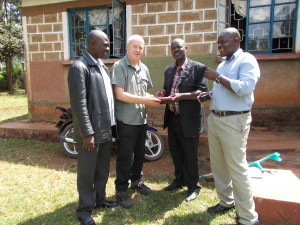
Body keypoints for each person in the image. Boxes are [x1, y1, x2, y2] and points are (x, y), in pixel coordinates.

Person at [198, 27, 260, 225]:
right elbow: (222, 90)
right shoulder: (224, 63)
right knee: (218, 165)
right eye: (218, 43)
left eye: (223, 42)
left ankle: (249, 218)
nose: (220, 46)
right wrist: (208, 95)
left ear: (236, 40)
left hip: (234, 121)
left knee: (237, 168)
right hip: (216, 119)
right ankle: (226, 201)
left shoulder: (247, 60)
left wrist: (216, 77)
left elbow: (245, 88)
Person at [68, 30, 118, 225]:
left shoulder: (101, 66)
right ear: (92, 44)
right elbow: (79, 104)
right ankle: (84, 210)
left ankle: (99, 199)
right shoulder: (79, 68)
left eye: (108, 44)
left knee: (102, 170)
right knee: (87, 172)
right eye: (105, 44)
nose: (108, 47)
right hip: (91, 132)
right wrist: (87, 133)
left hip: (105, 128)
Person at [111, 34, 161, 208]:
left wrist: (154, 98)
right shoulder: (119, 66)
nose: (138, 50)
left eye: (141, 47)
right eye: (135, 47)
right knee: (125, 156)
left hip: (141, 119)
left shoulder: (144, 68)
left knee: (140, 153)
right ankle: (121, 190)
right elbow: (120, 94)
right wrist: (145, 100)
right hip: (126, 120)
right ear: (127, 48)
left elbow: (144, 93)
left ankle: (137, 181)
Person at [156, 38, 207, 202]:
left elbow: (203, 93)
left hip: (189, 120)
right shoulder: (168, 70)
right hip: (173, 118)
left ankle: (194, 186)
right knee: (176, 153)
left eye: (179, 47)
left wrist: (182, 96)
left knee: (190, 154)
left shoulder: (198, 68)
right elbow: (168, 89)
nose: (175, 50)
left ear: (186, 48)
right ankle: (179, 180)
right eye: (173, 48)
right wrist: (163, 93)